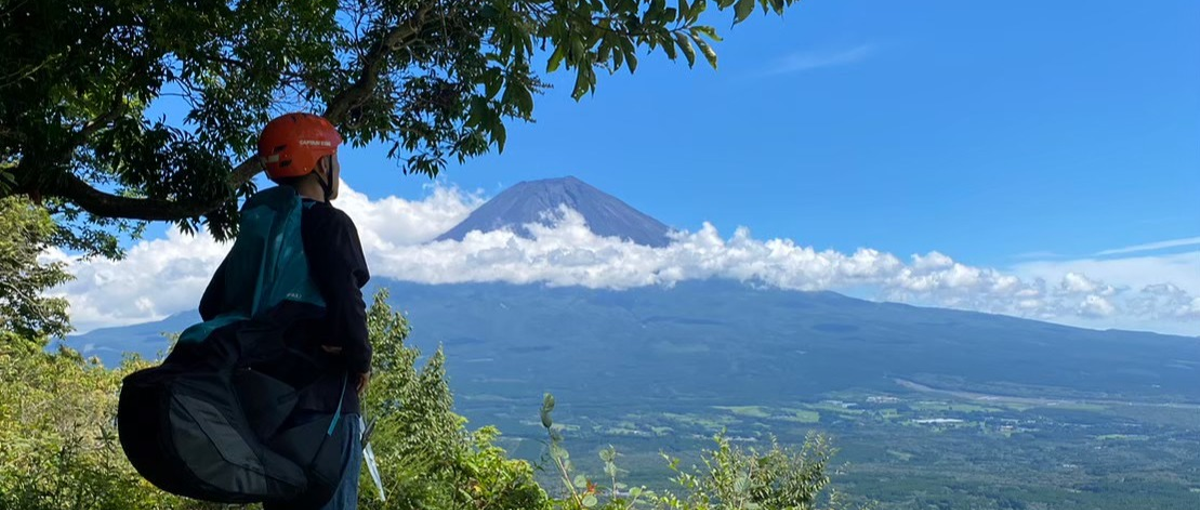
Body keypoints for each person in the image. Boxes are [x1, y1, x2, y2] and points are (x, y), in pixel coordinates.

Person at [198, 112, 372, 510]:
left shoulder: (261, 230)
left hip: (266, 407)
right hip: (324, 406)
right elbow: (348, 303)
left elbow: (212, 305)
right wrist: (359, 360)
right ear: (320, 163)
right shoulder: (331, 223)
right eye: (335, 158)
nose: (338, 168)